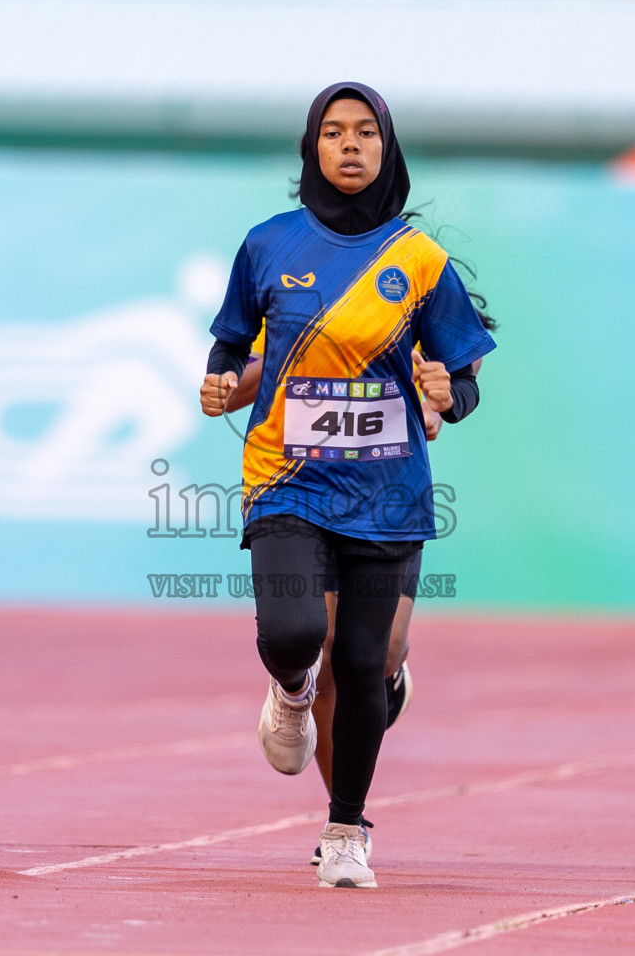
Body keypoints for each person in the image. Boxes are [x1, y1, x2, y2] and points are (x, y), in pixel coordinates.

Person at [199, 82, 495, 888]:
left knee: (365, 663)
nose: (351, 146)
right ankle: (289, 690)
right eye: (335, 133)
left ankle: (345, 832)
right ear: (313, 150)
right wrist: (222, 383)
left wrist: (448, 397)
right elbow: (227, 349)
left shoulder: (419, 261)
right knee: (296, 635)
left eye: (366, 133)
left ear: (387, 148)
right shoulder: (268, 246)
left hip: (388, 491)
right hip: (286, 483)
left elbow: (463, 378)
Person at [222, 330, 491, 867]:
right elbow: (231, 392)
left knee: (379, 655)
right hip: (304, 494)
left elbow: (460, 376)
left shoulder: (412, 285)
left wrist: (437, 394)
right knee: (325, 653)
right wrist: (286, 352)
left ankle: (390, 679)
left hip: (386, 500)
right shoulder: (288, 292)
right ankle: (345, 821)